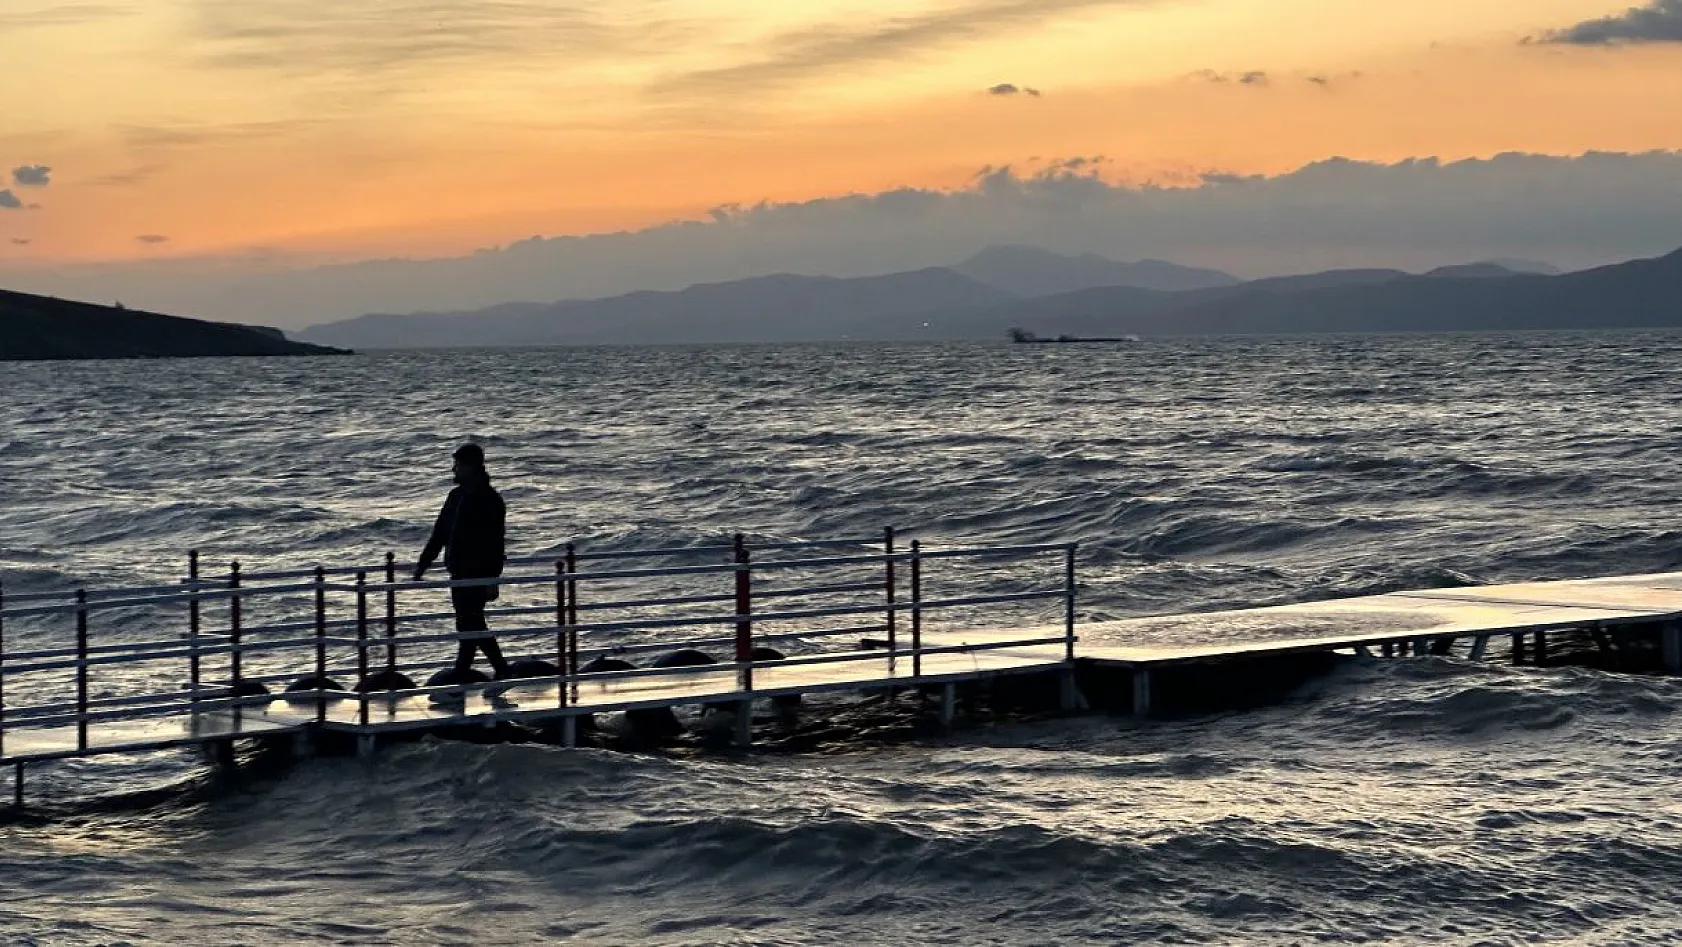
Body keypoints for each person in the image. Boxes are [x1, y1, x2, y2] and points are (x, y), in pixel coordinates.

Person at [413, 442, 510, 678]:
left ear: (472, 467)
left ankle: (467, 675)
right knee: (469, 625)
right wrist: (422, 564)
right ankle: (488, 672)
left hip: (477, 573)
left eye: (458, 465)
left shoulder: (490, 501)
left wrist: (492, 578)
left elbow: (495, 544)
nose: (453, 470)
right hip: (458, 572)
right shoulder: (455, 496)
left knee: (470, 625)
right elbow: (440, 534)